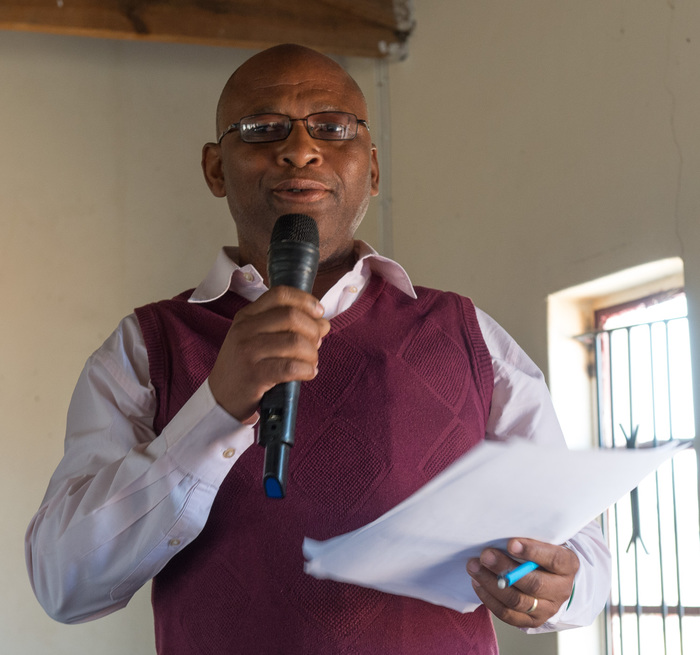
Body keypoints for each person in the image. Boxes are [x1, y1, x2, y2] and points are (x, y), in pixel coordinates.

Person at [26, 44, 610, 654]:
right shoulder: (146, 350)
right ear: (215, 169)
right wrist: (215, 409)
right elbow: (63, 583)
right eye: (263, 129)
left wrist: (557, 589)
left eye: (332, 128)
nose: (300, 150)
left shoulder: (469, 336)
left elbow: (583, 555)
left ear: (372, 168)